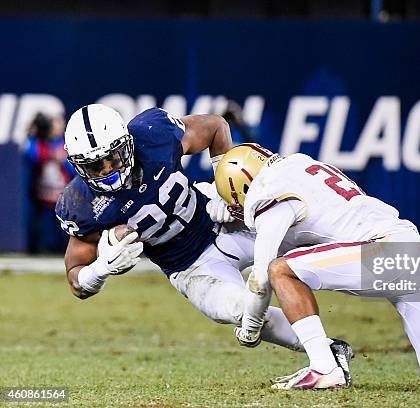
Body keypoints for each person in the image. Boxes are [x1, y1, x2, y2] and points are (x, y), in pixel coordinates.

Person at [54, 104, 355, 370]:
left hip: (224, 221)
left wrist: (226, 192)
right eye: (95, 165)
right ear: (79, 165)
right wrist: (99, 270)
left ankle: (387, 260)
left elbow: (214, 126)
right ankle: (328, 351)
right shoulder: (80, 204)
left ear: (128, 143)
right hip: (190, 267)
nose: (107, 169)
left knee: (316, 234)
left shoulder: (152, 134)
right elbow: (75, 279)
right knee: (242, 309)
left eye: (113, 157)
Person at [214, 143, 420, 392]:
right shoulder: (297, 165)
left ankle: (324, 367)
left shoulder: (265, 191)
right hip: (417, 252)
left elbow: (261, 275)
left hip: (382, 249)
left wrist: (251, 327)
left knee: (281, 270)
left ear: (242, 186)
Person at [24, 113, 75, 253]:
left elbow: (75, 170)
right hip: (42, 194)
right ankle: (36, 249)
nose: (56, 126)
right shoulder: (38, 142)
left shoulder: (68, 143)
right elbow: (30, 154)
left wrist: (64, 159)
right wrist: (31, 135)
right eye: (53, 123)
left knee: (66, 227)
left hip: (63, 194)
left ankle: (65, 250)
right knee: (41, 226)